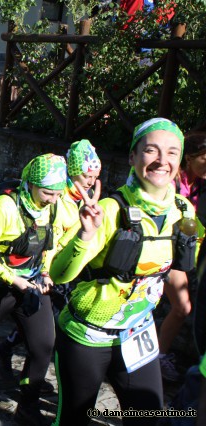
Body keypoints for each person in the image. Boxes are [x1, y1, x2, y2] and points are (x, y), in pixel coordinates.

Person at [50, 118, 196, 425]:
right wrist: (85, 235)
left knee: (147, 418)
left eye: (172, 153)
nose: (162, 161)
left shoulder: (184, 211)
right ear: (133, 156)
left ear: (180, 161)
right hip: (87, 335)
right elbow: (60, 273)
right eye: (151, 151)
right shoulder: (111, 210)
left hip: (137, 333)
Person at [0, 153, 67, 425]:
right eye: (48, 192)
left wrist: (45, 270)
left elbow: (50, 241)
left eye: (58, 193)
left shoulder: (53, 206)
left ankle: (27, 406)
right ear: (30, 183)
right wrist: (11, 278)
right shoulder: (5, 207)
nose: (53, 199)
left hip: (30, 283)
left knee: (44, 345)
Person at [0, 140, 102, 380]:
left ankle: (19, 365)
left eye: (94, 175)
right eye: (86, 175)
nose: (90, 180)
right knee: (44, 328)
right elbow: (47, 235)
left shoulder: (87, 195)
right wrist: (46, 270)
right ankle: (17, 363)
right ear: (73, 171)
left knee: (43, 328)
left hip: (68, 265)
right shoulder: (57, 196)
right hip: (46, 267)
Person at [157, 131, 206, 381]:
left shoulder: (200, 183)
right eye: (204, 158)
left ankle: (155, 357)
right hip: (165, 251)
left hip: (187, 253)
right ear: (189, 158)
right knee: (182, 307)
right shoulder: (172, 182)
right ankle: (158, 358)